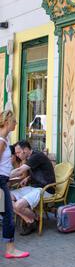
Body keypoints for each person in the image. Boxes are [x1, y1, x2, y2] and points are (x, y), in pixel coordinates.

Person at [10, 140, 56, 235]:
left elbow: (19, 170)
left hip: (45, 189)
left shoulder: (37, 156)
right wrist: (28, 178)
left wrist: (4, 176)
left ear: (25, 150)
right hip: (34, 187)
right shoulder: (30, 158)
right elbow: (42, 172)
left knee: (18, 205)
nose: (17, 155)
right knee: (4, 197)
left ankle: (32, 218)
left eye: (18, 152)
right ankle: (33, 219)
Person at [0, 110, 29, 258]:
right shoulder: (2, 141)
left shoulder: (4, 139)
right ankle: (10, 250)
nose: (16, 123)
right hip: (0, 182)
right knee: (8, 215)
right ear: (6, 122)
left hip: (2, 181)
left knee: (6, 215)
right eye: (14, 121)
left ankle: (10, 249)